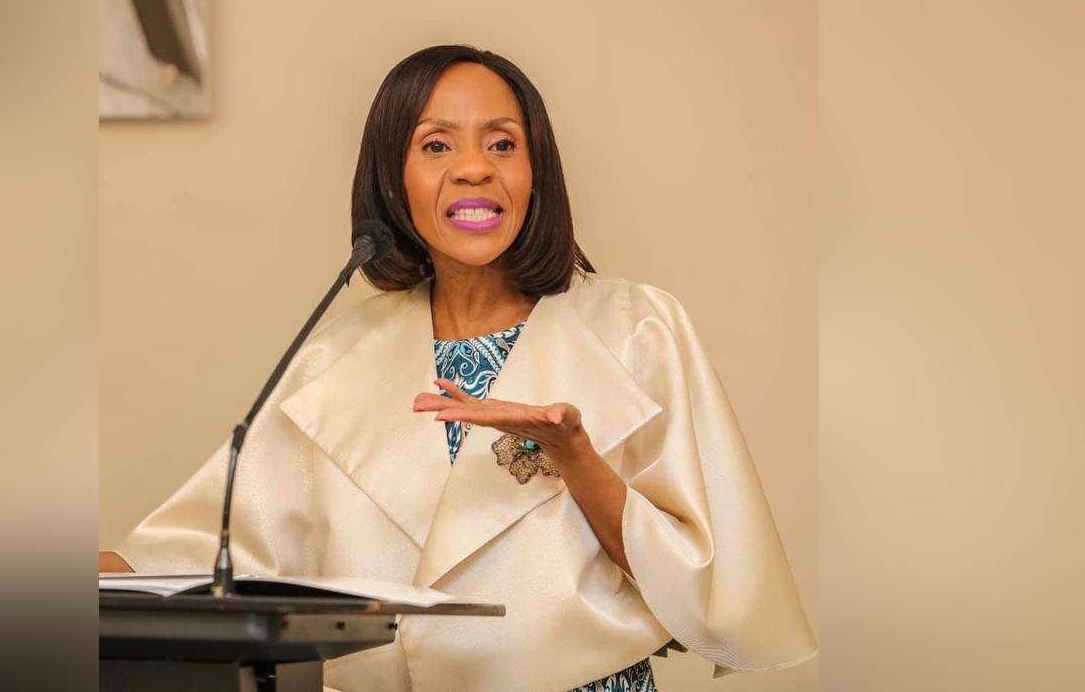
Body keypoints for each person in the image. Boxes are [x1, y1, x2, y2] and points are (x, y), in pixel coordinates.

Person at [100, 44, 816, 691]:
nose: (474, 168)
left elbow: (702, 582)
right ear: (393, 180)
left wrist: (575, 455)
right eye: (436, 144)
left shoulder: (638, 330)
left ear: (535, 173)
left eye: (502, 143)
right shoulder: (338, 353)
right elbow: (210, 546)